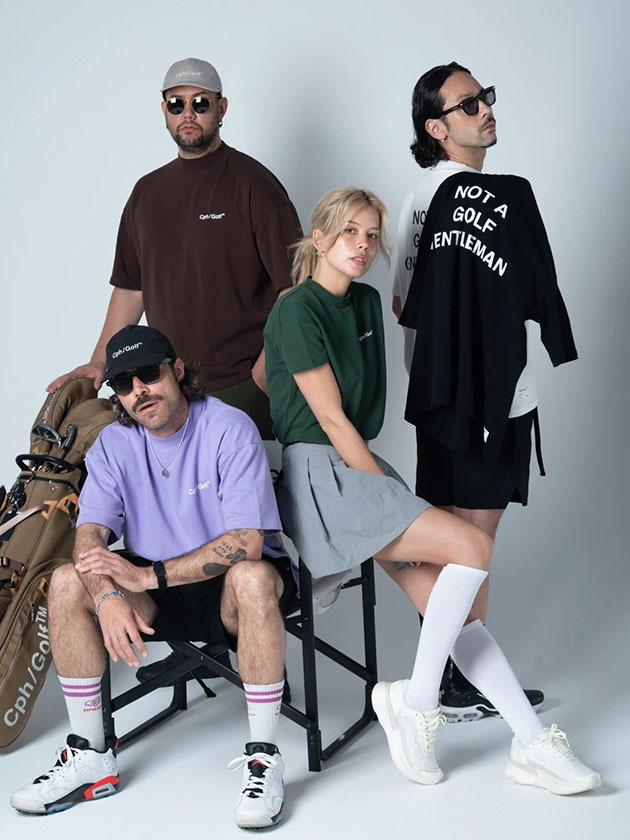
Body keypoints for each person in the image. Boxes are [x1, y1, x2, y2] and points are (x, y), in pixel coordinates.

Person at [263, 186, 600, 794]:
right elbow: (330, 418)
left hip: (357, 464)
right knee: (472, 547)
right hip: (325, 476)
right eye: (349, 232)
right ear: (319, 238)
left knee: (458, 615)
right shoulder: (295, 309)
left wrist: (290, 380)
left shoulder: (366, 303)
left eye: (372, 236)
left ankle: (531, 744)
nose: (363, 246)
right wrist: (311, 425)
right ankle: (417, 701)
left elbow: (270, 374)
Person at [11, 325, 297, 829]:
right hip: (156, 589)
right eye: (123, 383)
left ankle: (264, 758)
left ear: (177, 370)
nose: (139, 390)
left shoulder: (228, 427)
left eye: (149, 373)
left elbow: (246, 543)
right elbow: (89, 536)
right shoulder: (112, 444)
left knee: (252, 576)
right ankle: (90, 754)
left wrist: (147, 578)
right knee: (67, 580)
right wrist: (106, 596)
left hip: (230, 587)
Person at [391, 62, 569, 721]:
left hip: (436, 399)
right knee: (473, 544)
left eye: (485, 98)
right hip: (487, 400)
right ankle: (458, 686)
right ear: (435, 128)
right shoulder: (482, 200)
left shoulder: (422, 198)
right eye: (468, 105)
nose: (485, 110)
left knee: (453, 538)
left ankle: (446, 680)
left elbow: (402, 301)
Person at [47, 57, 301, 441]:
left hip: (241, 387)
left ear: (221, 108)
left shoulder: (255, 185)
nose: (188, 113)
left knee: (248, 481)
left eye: (200, 103)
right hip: (164, 389)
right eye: (177, 104)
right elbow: (132, 289)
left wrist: (263, 376)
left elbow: (295, 290)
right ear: (164, 110)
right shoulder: (146, 193)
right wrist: (100, 361)